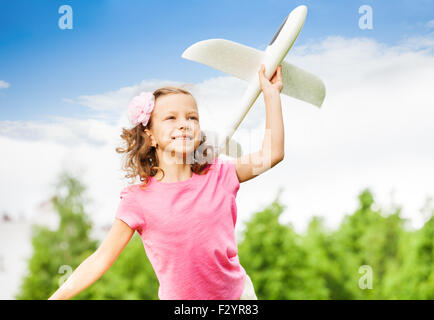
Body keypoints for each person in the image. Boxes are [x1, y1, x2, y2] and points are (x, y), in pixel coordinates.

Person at [48, 64, 284, 300]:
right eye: (170, 118)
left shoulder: (220, 174)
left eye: (192, 117)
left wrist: (271, 96)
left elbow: (272, 154)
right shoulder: (137, 199)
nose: (183, 123)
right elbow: (100, 258)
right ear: (149, 134)